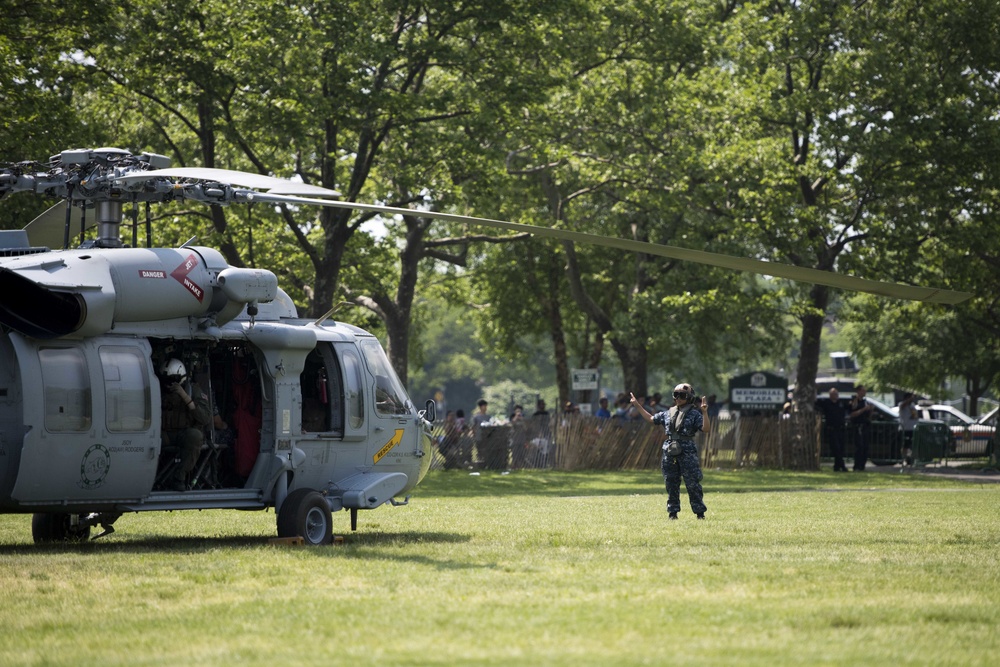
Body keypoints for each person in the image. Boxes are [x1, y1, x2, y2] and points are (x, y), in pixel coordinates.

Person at [631, 383, 709, 520]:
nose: (678, 398)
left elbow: (706, 429)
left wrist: (704, 412)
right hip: (670, 450)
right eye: (676, 395)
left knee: (692, 483)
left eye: (682, 395)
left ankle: (699, 513)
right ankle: (673, 513)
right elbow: (651, 419)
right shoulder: (668, 413)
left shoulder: (694, 414)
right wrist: (637, 405)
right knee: (671, 482)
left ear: (689, 397)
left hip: (687, 452)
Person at [158, 358, 211, 491]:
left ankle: (179, 477)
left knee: (195, 436)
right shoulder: (159, 391)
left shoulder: (193, 390)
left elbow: (204, 418)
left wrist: (185, 396)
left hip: (183, 433)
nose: (169, 385)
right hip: (164, 434)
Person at [816, 388, 848, 472]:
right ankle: (842, 466)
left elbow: (849, 408)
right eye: (834, 394)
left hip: (841, 428)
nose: (836, 396)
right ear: (830, 395)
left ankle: (837, 466)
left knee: (841, 448)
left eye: (837, 394)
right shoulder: (826, 403)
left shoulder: (841, 403)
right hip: (832, 429)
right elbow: (816, 405)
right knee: (836, 448)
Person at [849, 385, 874, 471]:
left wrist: (870, 410)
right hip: (858, 426)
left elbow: (868, 416)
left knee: (865, 447)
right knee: (859, 447)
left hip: (865, 426)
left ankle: (862, 466)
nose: (865, 392)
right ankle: (857, 466)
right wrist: (864, 409)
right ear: (858, 391)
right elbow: (852, 414)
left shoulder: (865, 401)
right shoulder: (854, 401)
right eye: (863, 391)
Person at [897, 393, 919, 466]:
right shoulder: (902, 404)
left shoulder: (912, 405)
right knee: (905, 445)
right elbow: (903, 405)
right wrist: (910, 399)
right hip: (905, 428)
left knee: (912, 444)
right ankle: (903, 458)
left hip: (912, 427)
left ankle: (911, 459)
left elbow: (915, 415)